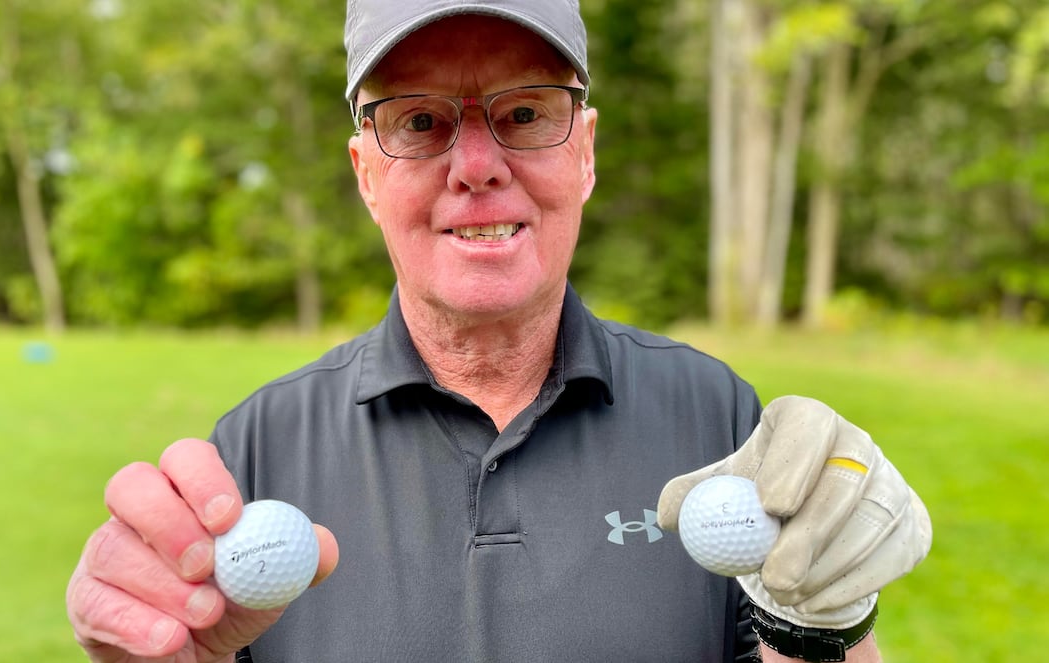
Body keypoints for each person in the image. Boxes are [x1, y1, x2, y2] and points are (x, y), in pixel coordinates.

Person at [66, 1, 933, 661]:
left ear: (584, 153)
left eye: (524, 115)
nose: (477, 166)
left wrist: (827, 623)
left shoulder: (715, 411)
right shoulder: (254, 447)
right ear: (366, 173)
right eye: (419, 121)